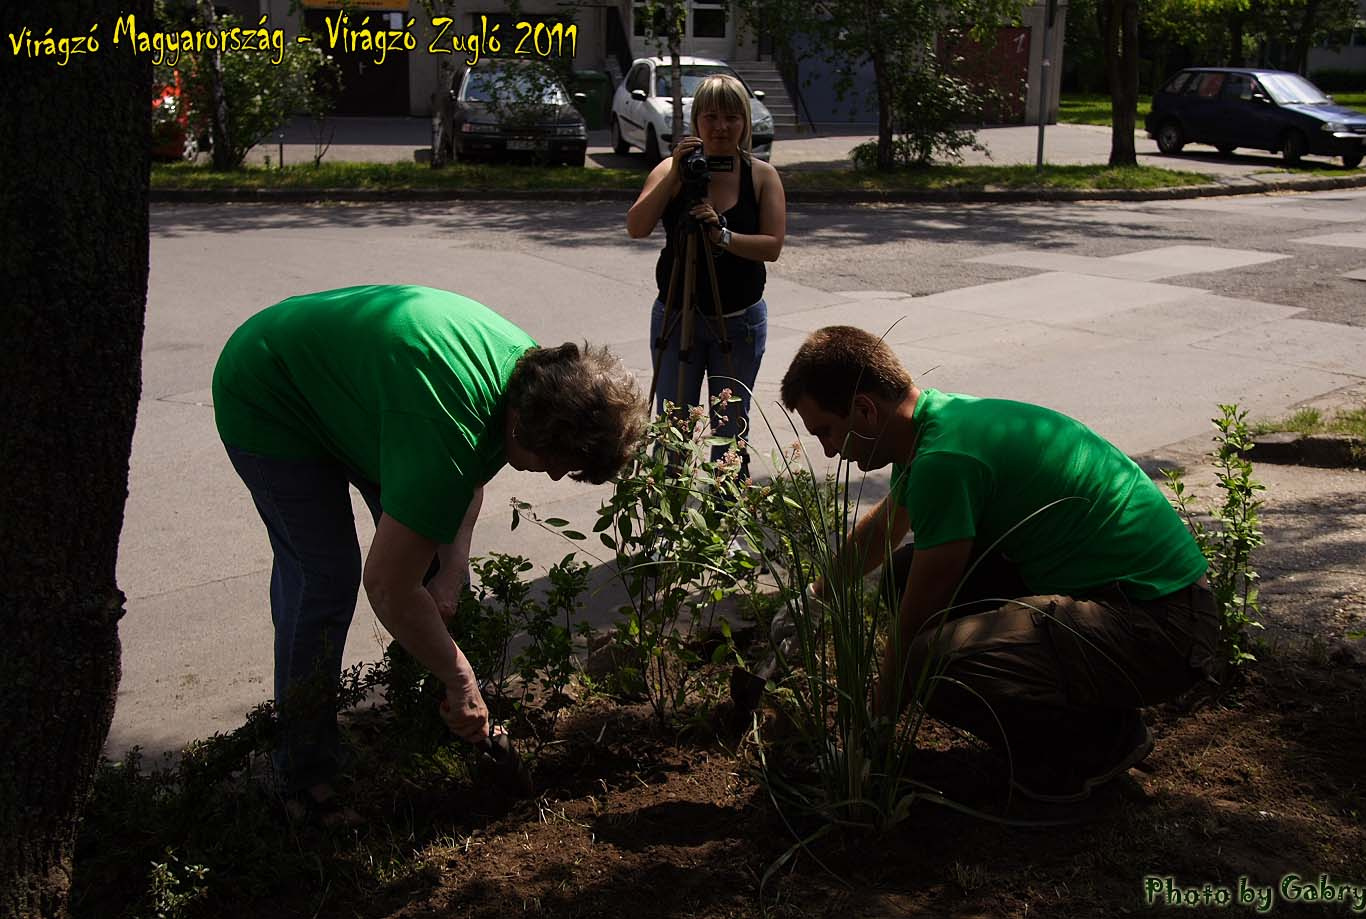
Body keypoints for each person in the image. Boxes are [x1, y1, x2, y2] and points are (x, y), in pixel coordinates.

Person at [212, 284, 645, 825]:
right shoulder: (455, 427)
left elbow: (465, 481)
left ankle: (438, 718)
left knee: (434, 570)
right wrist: (462, 678)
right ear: (525, 425)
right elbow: (389, 586)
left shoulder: (539, 380)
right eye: (557, 461)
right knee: (324, 578)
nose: (556, 475)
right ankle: (302, 776)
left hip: (367, 397)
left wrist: (454, 570)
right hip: (269, 388)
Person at [780, 326, 1219, 804]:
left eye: (825, 430)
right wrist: (814, 597)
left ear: (864, 409)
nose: (828, 449)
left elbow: (913, 627)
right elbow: (883, 533)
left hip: (1164, 628)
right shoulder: (937, 423)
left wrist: (867, 747)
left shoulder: (944, 459)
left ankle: (1080, 758)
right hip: (1142, 606)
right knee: (902, 574)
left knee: (931, 658)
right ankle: (1103, 727)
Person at [626, 72, 786, 467]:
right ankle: (670, 517)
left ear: (745, 122)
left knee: (730, 428)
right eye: (711, 117)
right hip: (678, 317)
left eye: (731, 117)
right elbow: (637, 227)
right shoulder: (671, 170)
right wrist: (676, 175)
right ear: (696, 121)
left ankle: (722, 515)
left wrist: (724, 237)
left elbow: (772, 246)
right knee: (673, 428)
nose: (721, 127)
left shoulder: (761, 175)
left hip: (739, 322)